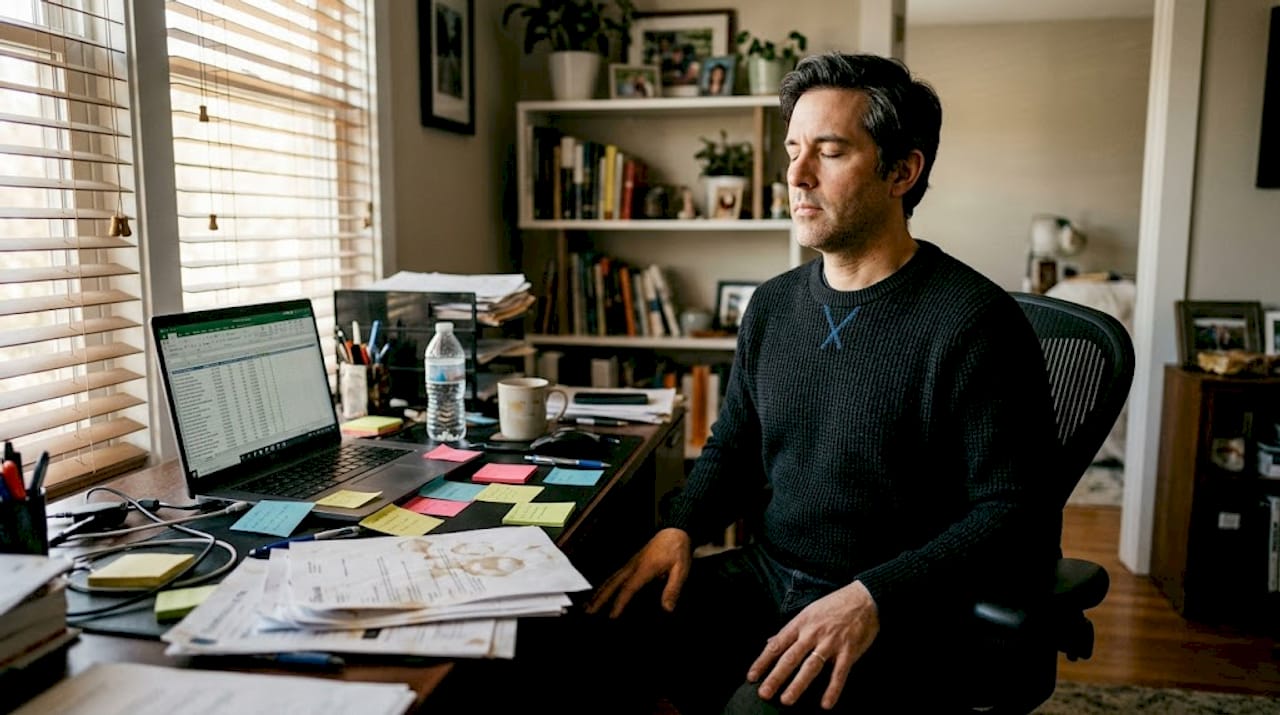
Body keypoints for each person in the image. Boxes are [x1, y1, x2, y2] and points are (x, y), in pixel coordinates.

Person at [581, 52, 1060, 714]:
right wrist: (681, 528)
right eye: (792, 150)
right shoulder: (773, 307)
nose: (797, 177)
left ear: (902, 170)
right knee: (581, 639)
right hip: (767, 572)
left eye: (829, 152)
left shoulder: (974, 323)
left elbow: (1014, 515)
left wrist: (874, 597)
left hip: (893, 603)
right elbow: (734, 444)